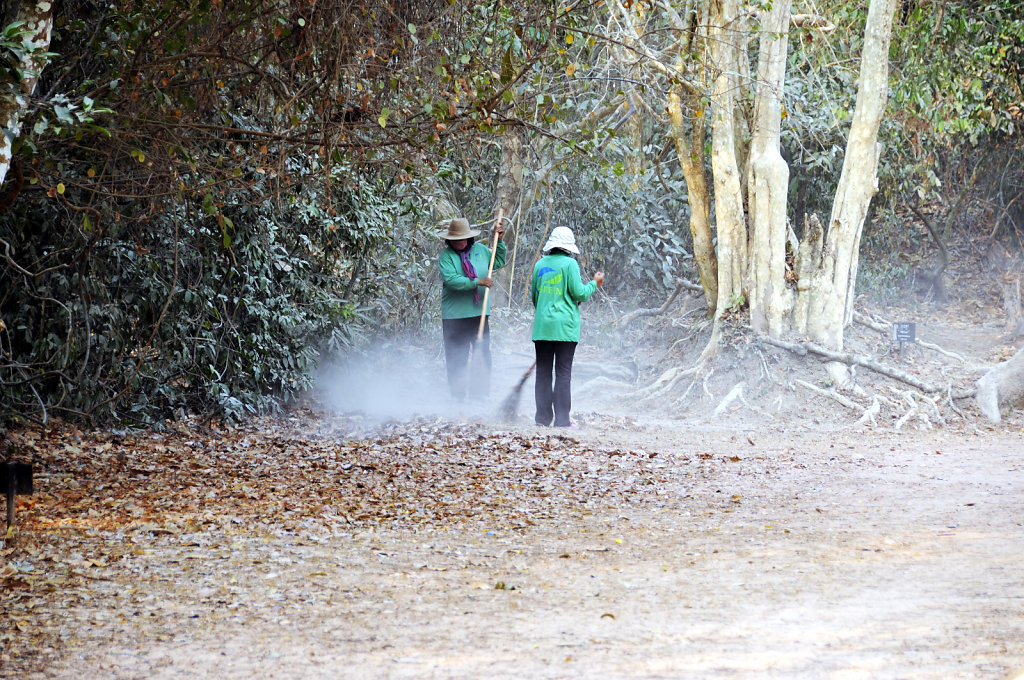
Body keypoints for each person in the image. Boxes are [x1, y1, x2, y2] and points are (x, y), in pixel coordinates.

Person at [530, 226, 604, 427]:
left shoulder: (540, 265)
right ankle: (562, 420)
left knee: (543, 373)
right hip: (565, 329)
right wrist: (595, 283)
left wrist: (548, 308)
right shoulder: (570, 264)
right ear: (568, 248)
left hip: (543, 327)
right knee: (563, 373)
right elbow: (579, 293)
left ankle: (542, 419)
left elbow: (535, 297)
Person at [438, 216, 506, 401]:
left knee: (482, 352)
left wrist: (499, 241)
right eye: (456, 239)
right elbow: (452, 281)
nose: (460, 242)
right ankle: (458, 397)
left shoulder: (481, 250)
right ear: (449, 240)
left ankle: (479, 396)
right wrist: (478, 282)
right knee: (456, 356)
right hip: (455, 316)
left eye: (463, 238)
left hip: (479, 313)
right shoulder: (446, 257)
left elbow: (498, 261)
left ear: (469, 237)